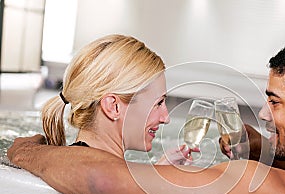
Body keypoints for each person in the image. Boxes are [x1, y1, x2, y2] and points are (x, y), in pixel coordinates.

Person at [7, 35, 285, 194]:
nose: (263, 115)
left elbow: (104, 181)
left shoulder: (265, 184)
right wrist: (269, 152)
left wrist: (24, 150)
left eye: (275, 102)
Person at [40, 34, 193, 165]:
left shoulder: (75, 165)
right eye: (158, 103)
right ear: (113, 107)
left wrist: (157, 174)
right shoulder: (101, 179)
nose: (166, 118)